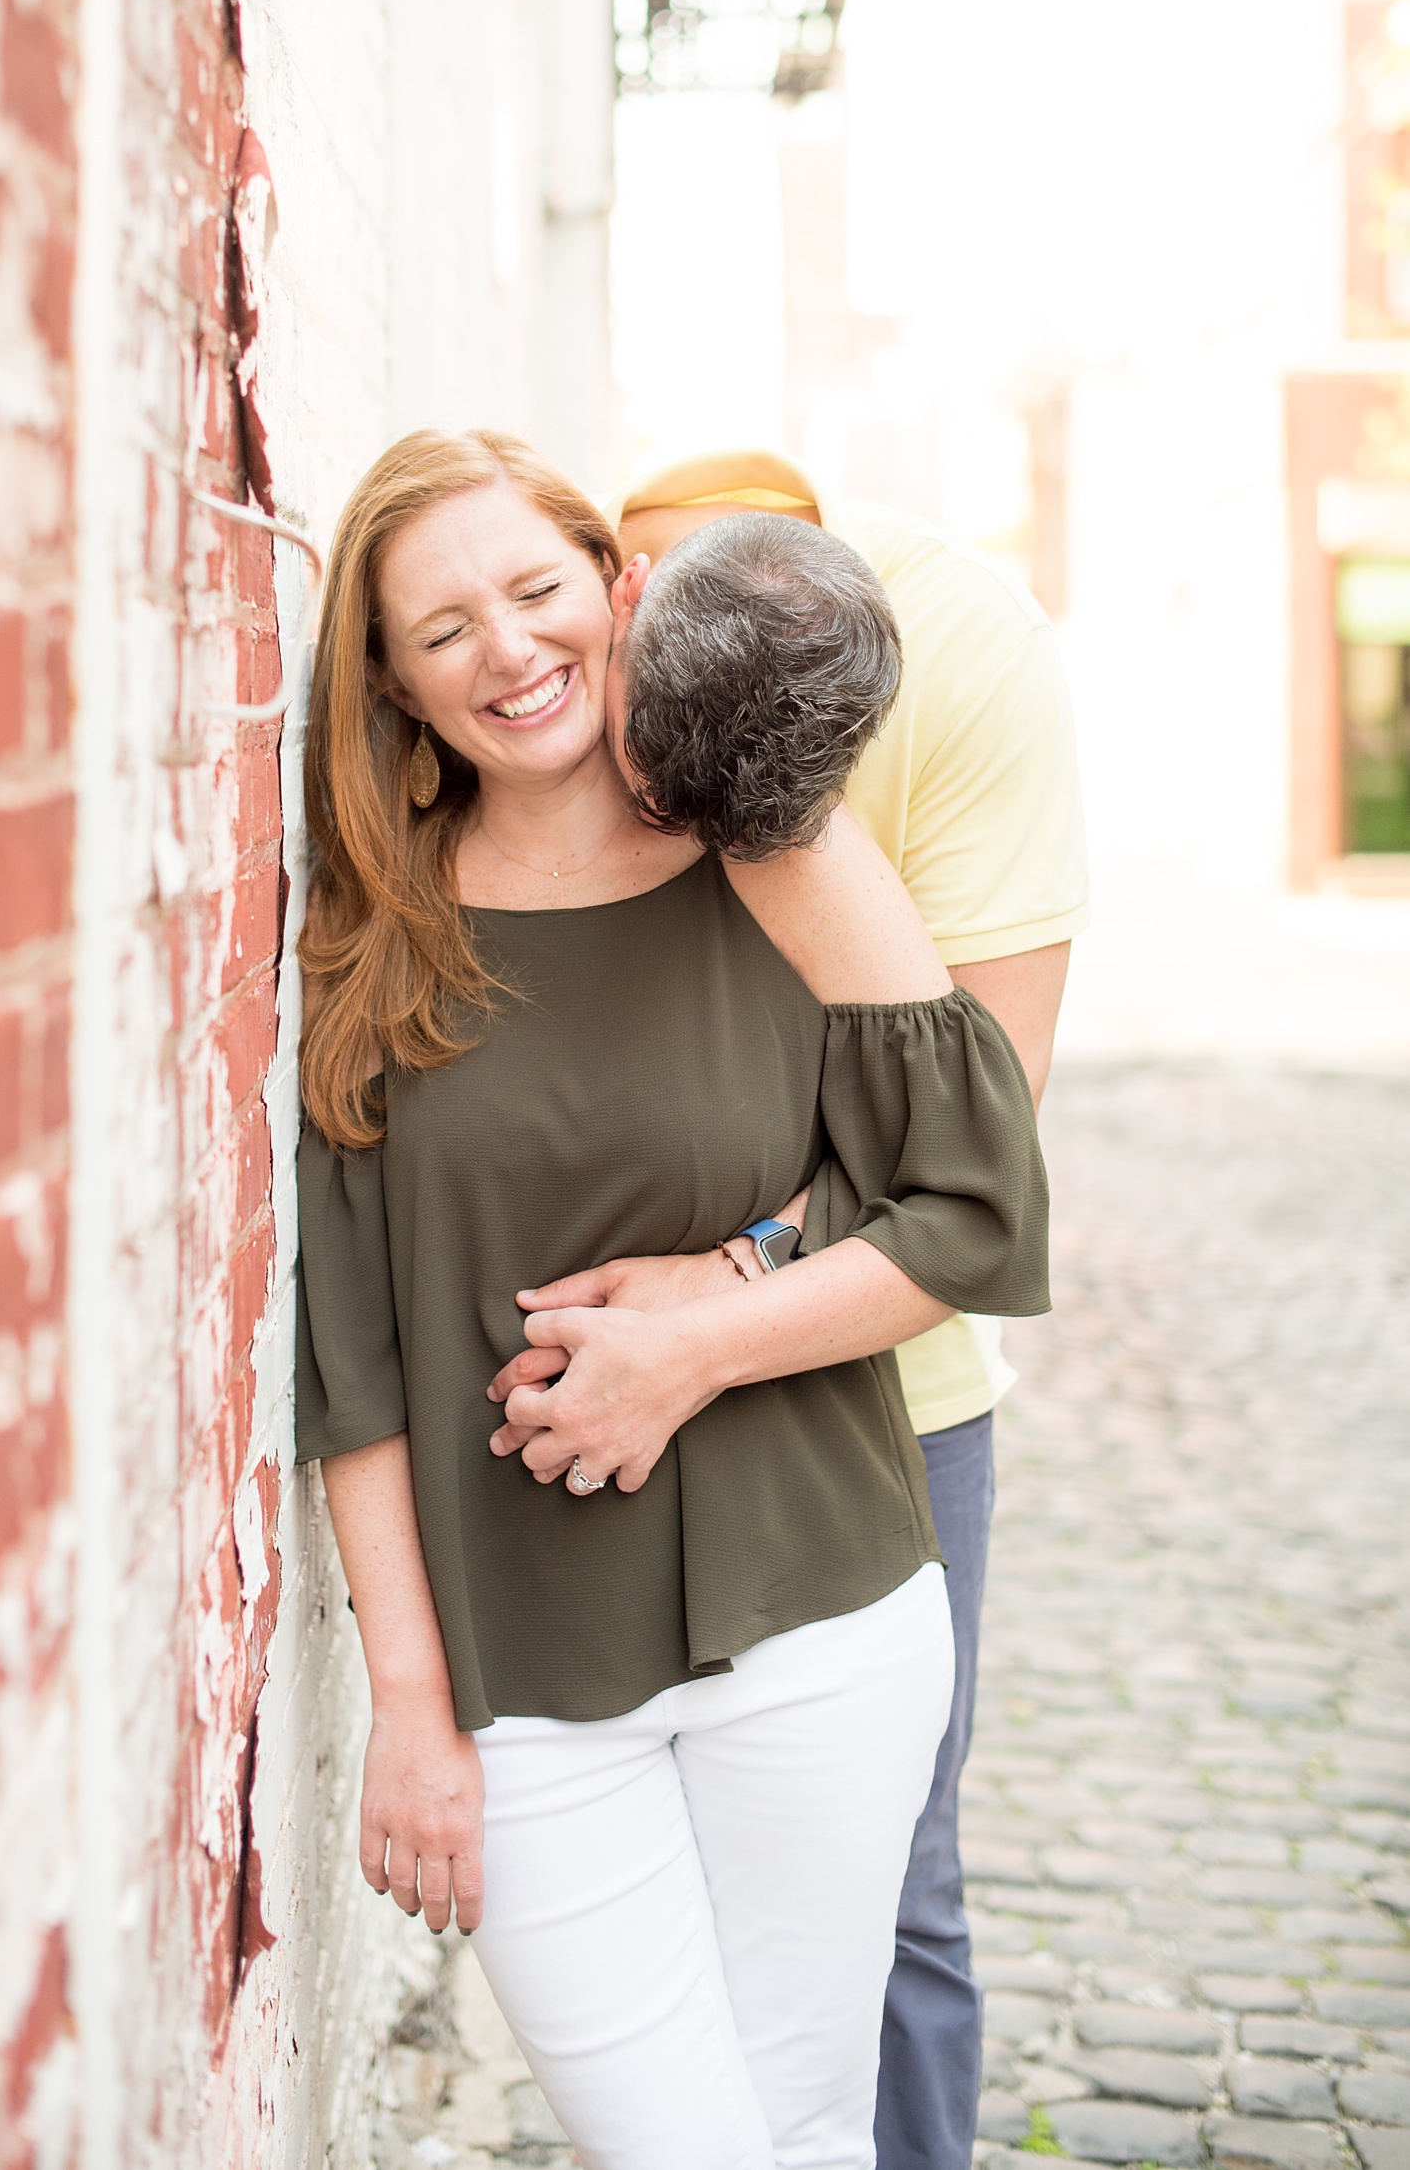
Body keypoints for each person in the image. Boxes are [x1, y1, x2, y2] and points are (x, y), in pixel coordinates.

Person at [295, 428, 1051, 2170]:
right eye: (445, 627)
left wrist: (705, 1334)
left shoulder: (777, 856)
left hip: (823, 1616)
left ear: (617, 593)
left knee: (804, 2127)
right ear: (395, 687)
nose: (511, 650)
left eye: (540, 590)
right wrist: (409, 1709)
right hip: (526, 1677)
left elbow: (971, 1200)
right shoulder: (369, 931)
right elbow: (359, 1369)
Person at [502, 449, 1088, 2170]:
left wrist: (733, 1284)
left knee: (893, 1886)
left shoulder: (968, 656)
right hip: (589, 1396)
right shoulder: (548, 626)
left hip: (884, 1387)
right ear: (616, 602)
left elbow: (989, 1142)